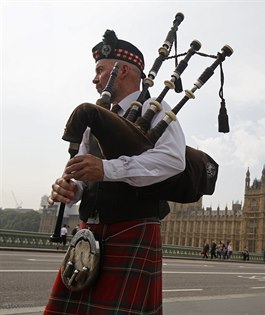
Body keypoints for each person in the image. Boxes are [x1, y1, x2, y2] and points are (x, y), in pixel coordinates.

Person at [44, 29, 186, 314]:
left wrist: (107, 169)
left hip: (131, 227)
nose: (95, 78)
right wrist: (72, 189)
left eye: (100, 70)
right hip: (89, 231)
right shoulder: (97, 115)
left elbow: (173, 159)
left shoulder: (154, 107)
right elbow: (84, 172)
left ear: (120, 71)